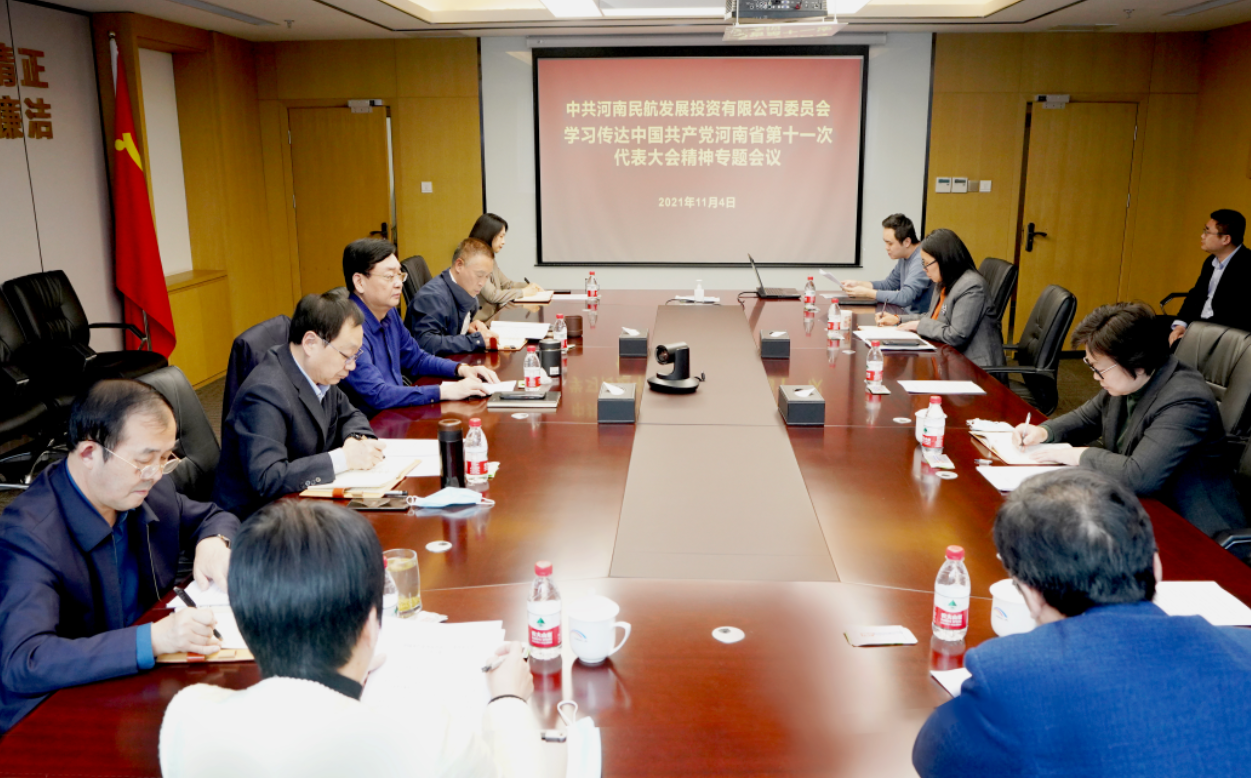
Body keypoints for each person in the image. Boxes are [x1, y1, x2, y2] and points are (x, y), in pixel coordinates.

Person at [159, 500, 539, 777]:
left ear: (243, 622)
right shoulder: (426, 737)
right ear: (371, 625)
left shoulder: (186, 718)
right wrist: (507, 701)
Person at [913, 468, 1251, 778]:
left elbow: (933, 757)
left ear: (1030, 593)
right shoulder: (1243, 649)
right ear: (1156, 566)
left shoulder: (1012, 676)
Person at [0, 380, 239, 732]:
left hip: (140, 680)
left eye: (165, 458)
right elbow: (25, 660)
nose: (155, 474)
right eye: (144, 460)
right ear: (89, 453)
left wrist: (214, 542)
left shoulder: (146, 488)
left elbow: (211, 516)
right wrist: (153, 639)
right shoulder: (29, 535)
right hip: (62, 709)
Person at [1013, 302, 1245, 536]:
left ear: (1137, 363)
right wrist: (1044, 432)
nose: (1095, 377)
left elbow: (1139, 476)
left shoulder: (1186, 400)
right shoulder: (1130, 380)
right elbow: (1086, 417)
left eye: (1099, 369)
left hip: (1193, 531)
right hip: (1141, 508)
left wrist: (1077, 455)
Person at [213, 292, 385, 519]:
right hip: (260, 521)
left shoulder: (319, 372)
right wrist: (343, 459)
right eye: (346, 355)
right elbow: (267, 478)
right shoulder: (265, 393)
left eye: (356, 355)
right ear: (310, 343)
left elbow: (351, 414)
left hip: (302, 504)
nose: (351, 366)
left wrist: (355, 440)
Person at [340, 238, 498, 416]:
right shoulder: (349, 329)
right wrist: (444, 391)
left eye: (399, 275)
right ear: (359, 282)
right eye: (389, 276)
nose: (398, 283)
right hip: (372, 425)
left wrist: (462, 369)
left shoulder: (389, 313)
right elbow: (378, 394)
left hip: (397, 413)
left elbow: (416, 359)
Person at [876, 228, 1005, 368]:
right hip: (950, 360)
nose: (924, 269)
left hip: (975, 369)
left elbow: (956, 336)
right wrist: (898, 319)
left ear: (945, 260)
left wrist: (918, 326)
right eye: (922, 263)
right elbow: (932, 317)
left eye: (926, 263)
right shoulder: (944, 281)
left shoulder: (971, 286)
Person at [1169, 209, 1250, 345]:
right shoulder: (1210, 261)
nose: (1202, 236)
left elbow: (1233, 314)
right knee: (1148, 329)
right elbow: (1196, 295)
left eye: (1207, 231)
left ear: (1225, 239)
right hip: (1199, 325)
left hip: (1225, 333)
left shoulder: (1246, 266)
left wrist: (1193, 332)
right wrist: (1181, 325)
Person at [406, 238, 500, 356]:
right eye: (479, 275)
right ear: (459, 265)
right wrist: (474, 341)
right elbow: (425, 343)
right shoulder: (432, 297)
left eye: (487, 277)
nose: (482, 283)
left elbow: (448, 332)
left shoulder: (465, 290)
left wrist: (467, 328)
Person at [840, 213, 934, 314]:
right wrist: (859, 284)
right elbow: (889, 284)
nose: (886, 248)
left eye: (890, 243)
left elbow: (904, 297)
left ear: (907, 242)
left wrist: (867, 293)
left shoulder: (921, 259)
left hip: (917, 320)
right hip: (904, 316)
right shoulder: (905, 256)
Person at [470, 213, 542, 322]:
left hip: (492, 319)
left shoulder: (490, 258)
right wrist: (523, 292)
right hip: (478, 324)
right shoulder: (474, 260)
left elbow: (507, 284)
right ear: (488, 234)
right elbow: (492, 295)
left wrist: (529, 286)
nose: (504, 242)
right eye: (501, 236)